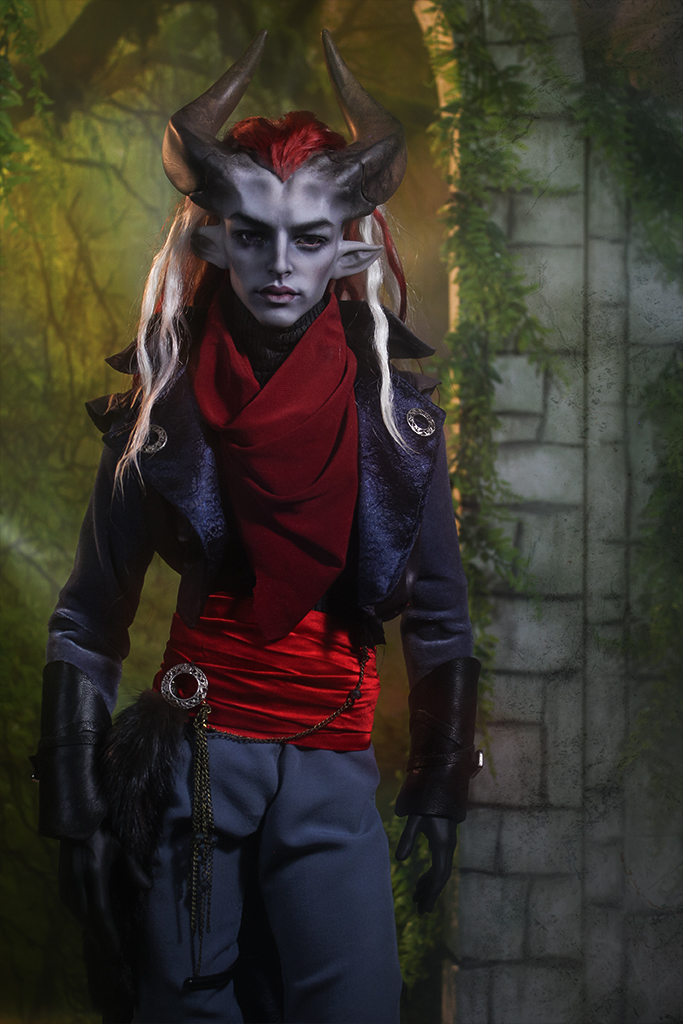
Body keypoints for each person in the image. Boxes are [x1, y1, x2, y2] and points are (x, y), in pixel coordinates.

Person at [32, 29, 481, 1024]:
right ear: (214, 241)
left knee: (352, 1006)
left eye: (309, 239)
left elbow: (439, 616)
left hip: (333, 757)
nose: (279, 264)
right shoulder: (159, 410)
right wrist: (75, 798)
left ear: (348, 250)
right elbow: (89, 617)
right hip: (196, 761)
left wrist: (439, 779)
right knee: (183, 1006)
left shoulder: (396, 423)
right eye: (252, 236)